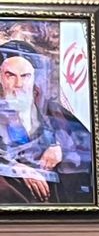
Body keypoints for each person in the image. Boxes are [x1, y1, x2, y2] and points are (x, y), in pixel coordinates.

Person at [0, 47, 62, 204]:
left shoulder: (50, 108)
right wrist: (16, 168)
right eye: (10, 75)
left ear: (34, 78)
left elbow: (83, 140)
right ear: (1, 78)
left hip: (51, 185)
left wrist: (58, 147)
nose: (19, 84)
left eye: (25, 76)